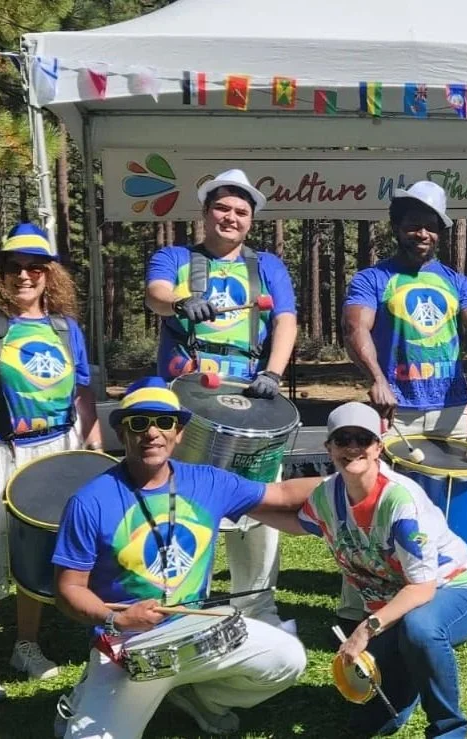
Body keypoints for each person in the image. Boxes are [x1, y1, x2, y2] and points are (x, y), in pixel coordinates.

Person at [52, 377, 314, 738]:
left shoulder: (208, 482)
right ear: (123, 432)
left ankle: (202, 697)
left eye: (164, 422)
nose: (152, 433)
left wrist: (360, 479)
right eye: (139, 423)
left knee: (288, 659)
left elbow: (282, 494)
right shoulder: (90, 501)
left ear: (179, 432)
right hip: (128, 647)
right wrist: (117, 618)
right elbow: (68, 589)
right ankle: (92, 693)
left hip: (198, 634)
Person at [254, 402, 467, 737]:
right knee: (371, 721)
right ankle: (413, 677)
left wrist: (365, 629)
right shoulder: (327, 495)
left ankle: (449, 727)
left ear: (379, 446)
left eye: (362, 439)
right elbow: (298, 523)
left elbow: (422, 588)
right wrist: (240, 510)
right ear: (328, 447)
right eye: (342, 439)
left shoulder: (400, 502)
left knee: (420, 631)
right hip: (396, 604)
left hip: (453, 591)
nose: (352, 448)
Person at [0, 222, 101, 703]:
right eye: (15, 268)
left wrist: (92, 443)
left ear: (50, 275)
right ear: (1, 274)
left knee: (38, 548)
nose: (25, 276)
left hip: (55, 452)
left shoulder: (65, 329)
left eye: (36, 267)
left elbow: (82, 391)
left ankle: (25, 645)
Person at [341, 180, 467, 637]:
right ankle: (360, 603)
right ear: (397, 228)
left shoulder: (457, 282)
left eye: (430, 226)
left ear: (440, 231)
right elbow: (356, 329)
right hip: (396, 415)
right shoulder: (372, 279)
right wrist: (376, 379)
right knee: (376, 508)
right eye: (412, 225)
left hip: (452, 411)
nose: (421, 233)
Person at [145, 168, 297, 628]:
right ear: (206, 213)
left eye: (241, 212)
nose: (231, 218)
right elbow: (155, 293)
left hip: (248, 393)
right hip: (186, 395)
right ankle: (186, 602)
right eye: (222, 209)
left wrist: (273, 371)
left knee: (259, 498)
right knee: (183, 499)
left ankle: (257, 606)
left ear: (251, 220)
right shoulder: (174, 256)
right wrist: (178, 303)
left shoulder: (267, 265)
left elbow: (286, 321)